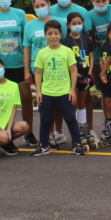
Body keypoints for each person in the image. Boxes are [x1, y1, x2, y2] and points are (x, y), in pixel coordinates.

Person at [0, 0, 35, 144]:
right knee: (0, 102)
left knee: (26, 99)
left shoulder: (20, 14)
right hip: (0, 67)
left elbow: (26, 39)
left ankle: (29, 133)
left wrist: (27, 66)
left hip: (18, 64)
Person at [33, 20, 86, 156]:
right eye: (50, 34)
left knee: (70, 119)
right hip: (47, 92)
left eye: (56, 33)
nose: (53, 36)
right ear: (45, 35)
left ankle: (77, 144)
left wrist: (72, 89)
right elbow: (38, 73)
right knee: (45, 120)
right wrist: (38, 91)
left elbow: (73, 71)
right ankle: (43, 145)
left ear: (61, 34)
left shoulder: (67, 51)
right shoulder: (42, 53)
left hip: (64, 92)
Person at [24, 0, 69, 144]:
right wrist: (26, 70)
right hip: (39, 70)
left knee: (59, 103)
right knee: (46, 104)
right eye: (37, 6)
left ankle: (59, 132)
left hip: (58, 69)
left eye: (43, 5)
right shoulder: (29, 26)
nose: (40, 8)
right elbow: (27, 48)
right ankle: (48, 134)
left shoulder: (59, 22)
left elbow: (65, 43)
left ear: (49, 4)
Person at [62, 11, 98, 147]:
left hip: (85, 75)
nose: (77, 25)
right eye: (74, 23)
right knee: (74, 102)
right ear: (68, 25)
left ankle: (83, 127)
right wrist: (76, 74)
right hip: (74, 76)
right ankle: (76, 129)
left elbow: (91, 56)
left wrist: (89, 72)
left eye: (79, 23)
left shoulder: (86, 39)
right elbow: (66, 60)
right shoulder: (66, 41)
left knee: (83, 102)